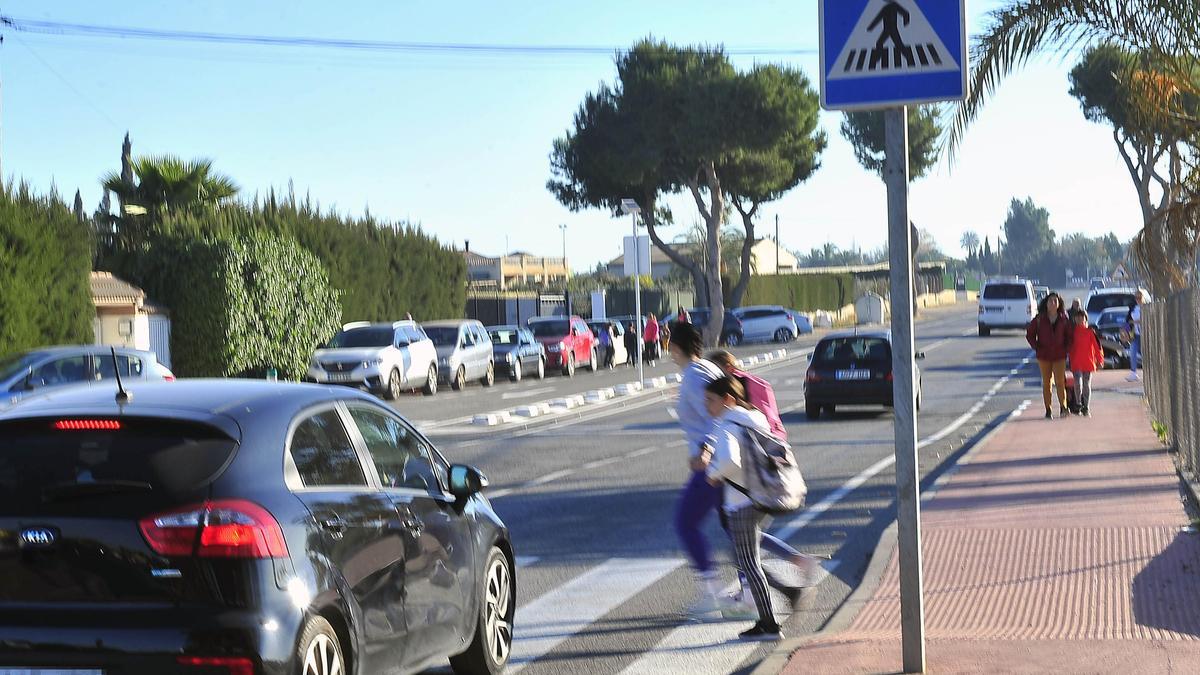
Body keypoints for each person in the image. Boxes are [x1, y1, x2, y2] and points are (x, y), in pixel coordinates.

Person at [704, 375, 786, 641]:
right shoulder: (755, 417)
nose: (708, 406)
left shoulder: (727, 424)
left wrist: (713, 474)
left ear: (728, 399)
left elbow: (729, 459)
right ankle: (767, 621)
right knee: (751, 561)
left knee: (750, 564)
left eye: (711, 400)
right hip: (761, 496)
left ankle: (769, 624)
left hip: (741, 503)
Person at [668, 322, 727, 617]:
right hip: (722, 462)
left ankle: (713, 592)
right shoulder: (706, 369)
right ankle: (796, 562)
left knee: (685, 523)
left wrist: (705, 451)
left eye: (670, 346)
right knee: (738, 529)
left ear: (676, 348)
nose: (669, 353)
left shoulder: (694, 378)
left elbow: (717, 415)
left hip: (711, 466)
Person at [1026, 292, 1073, 419]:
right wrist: (1037, 347)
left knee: (1060, 382)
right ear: (1046, 303)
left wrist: (1066, 349)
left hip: (1059, 356)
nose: (1053, 303)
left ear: (1059, 304)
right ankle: (1048, 409)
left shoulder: (1064, 319)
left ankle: (1063, 407)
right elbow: (1030, 334)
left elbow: (1070, 336)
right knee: (1046, 383)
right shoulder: (1039, 319)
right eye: (1051, 301)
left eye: (1055, 301)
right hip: (1044, 356)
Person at [1068, 309, 1104, 417]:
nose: (1080, 319)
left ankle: (1086, 407)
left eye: (1082, 317)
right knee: (1077, 383)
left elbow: (1098, 347)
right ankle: (1078, 403)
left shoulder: (1090, 332)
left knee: (1086, 384)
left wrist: (1100, 360)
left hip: (1088, 362)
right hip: (1076, 362)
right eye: (1078, 317)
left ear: (1085, 319)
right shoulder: (1072, 333)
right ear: (1074, 319)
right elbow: (1068, 347)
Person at [1128, 290, 1144, 382]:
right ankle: (1133, 373)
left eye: (1139, 297)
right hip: (1135, 333)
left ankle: (1148, 371)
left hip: (1145, 334)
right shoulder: (1133, 308)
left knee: (1144, 354)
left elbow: (1144, 319)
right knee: (1132, 351)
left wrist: (1134, 321)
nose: (1138, 299)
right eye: (1136, 297)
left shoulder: (1146, 307)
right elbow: (1128, 320)